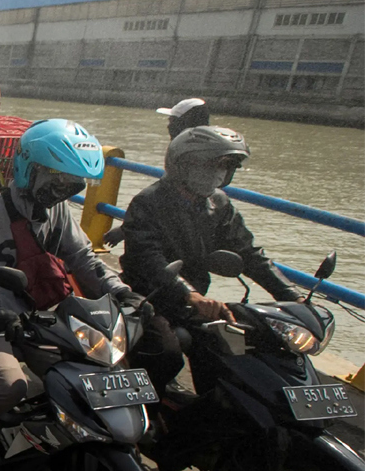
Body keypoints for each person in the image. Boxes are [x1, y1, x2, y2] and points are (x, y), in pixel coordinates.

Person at [0, 119, 143, 471]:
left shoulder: (57, 212)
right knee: (13, 385)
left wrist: (121, 291)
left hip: (38, 317)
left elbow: (84, 259)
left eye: (70, 184)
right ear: (29, 170)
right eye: (55, 180)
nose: (62, 191)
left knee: (98, 369)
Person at [121, 125, 301, 392]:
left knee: (235, 352)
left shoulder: (219, 205)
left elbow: (249, 253)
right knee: (166, 353)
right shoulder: (149, 201)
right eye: (210, 165)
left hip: (197, 303)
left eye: (225, 166)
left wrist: (291, 295)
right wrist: (187, 292)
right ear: (183, 164)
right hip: (148, 298)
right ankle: (145, 411)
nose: (217, 173)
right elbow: (149, 258)